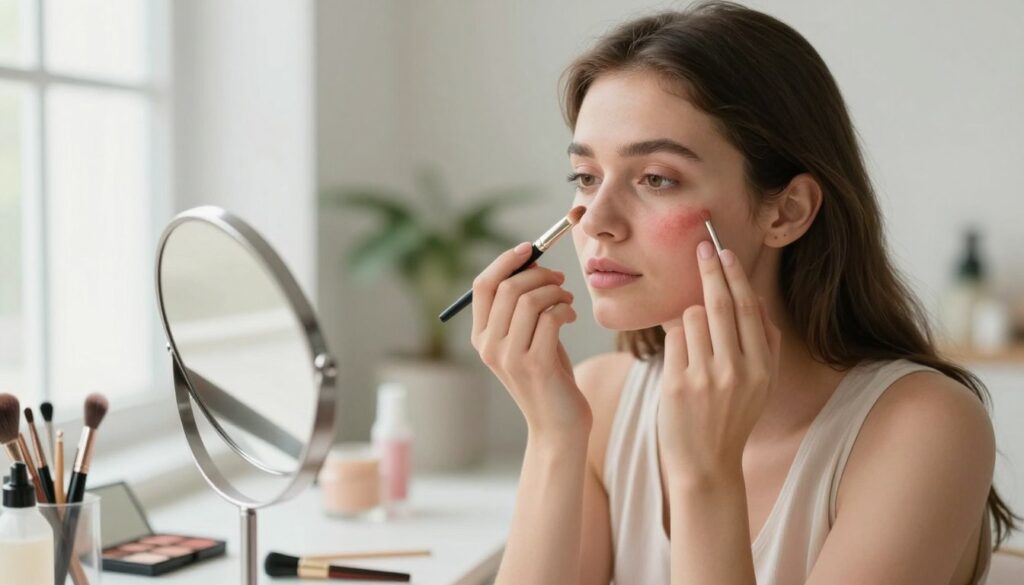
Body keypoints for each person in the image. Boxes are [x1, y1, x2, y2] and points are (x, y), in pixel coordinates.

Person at [469, 2, 1018, 584]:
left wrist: (705, 473)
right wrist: (554, 437)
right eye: (586, 177)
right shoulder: (598, 403)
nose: (596, 220)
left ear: (786, 211)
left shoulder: (921, 428)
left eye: (657, 178)